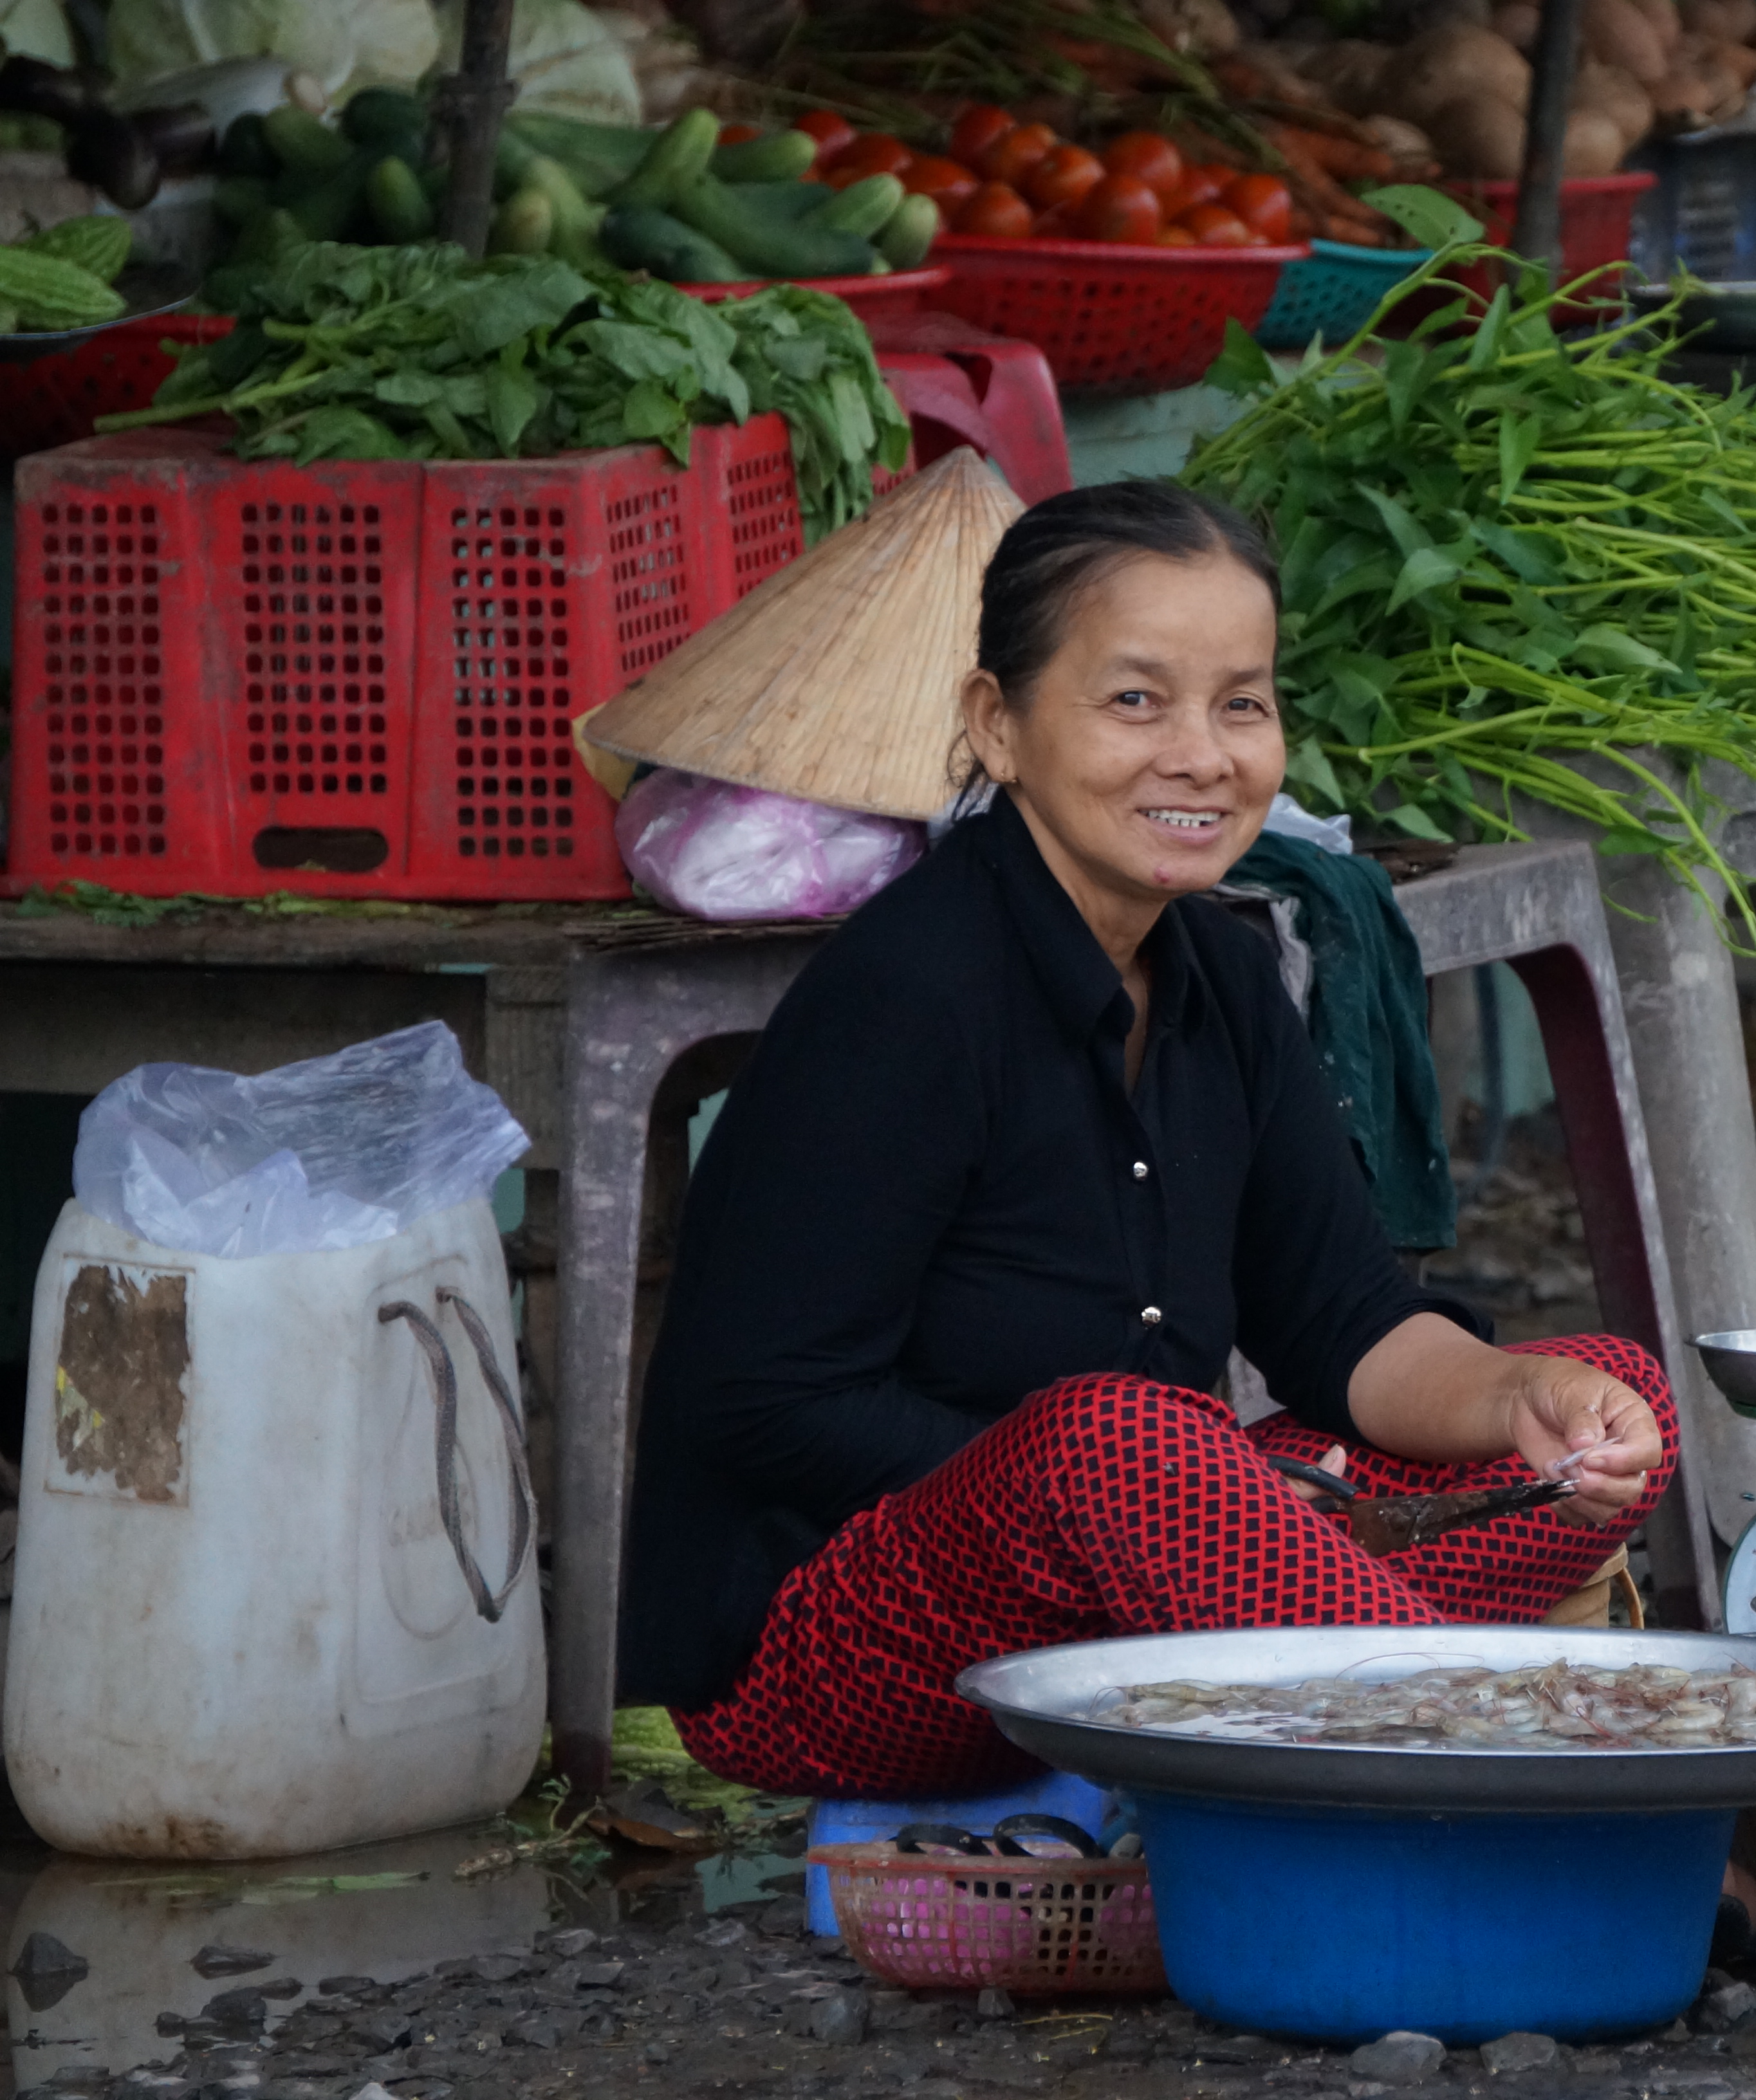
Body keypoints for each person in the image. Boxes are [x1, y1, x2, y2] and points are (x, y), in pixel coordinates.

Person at [617, 480, 1679, 1799]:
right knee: (1126, 1441)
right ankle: (1499, 1789)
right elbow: (767, 1408)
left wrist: (1517, 1399)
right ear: (995, 727)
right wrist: (1167, 1508)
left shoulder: (1221, 981)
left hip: (1138, 1579)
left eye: (1242, 702)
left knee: (1611, 1387)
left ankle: (1362, 1694)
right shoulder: (911, 996)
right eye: (1134, 701)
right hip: (823, 1653)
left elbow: (1345, 1323)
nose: (1201, 753)